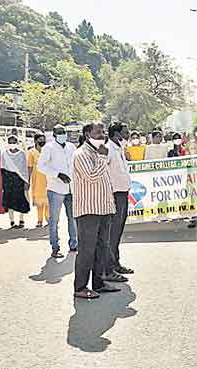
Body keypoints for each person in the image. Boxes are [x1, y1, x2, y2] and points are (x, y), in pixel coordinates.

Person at [71, 123, 120, 300]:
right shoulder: (81, 154)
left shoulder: (100, 152)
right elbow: (91, 176)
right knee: (87, 250)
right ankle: (80, 287)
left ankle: (98, 283)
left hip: (104, 209)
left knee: (102, 248)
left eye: (102, 132)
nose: (101, 135)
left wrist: (110, 206)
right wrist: (101, 157)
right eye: (97, 132)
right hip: (88, 211)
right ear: (86, 134)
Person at [38, 124, 77, 258]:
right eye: (59, 132)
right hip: (56, 189)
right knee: (54, 220)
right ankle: (55, 247)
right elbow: (40, 166)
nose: (62, 134)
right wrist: (57, 174)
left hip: (71, 188)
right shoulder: (48, 148)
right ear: (54, 135)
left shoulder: (71, 147)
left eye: (64, 132)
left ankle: (74, 244)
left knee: (73, 218)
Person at [106, 122, 134, 280]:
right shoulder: (109, 149)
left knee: (118, 232)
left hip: (123, 194)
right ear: (116, 134)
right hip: (114, 195)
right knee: (112, 232)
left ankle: (115, 263)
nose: (128, 135)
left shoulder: (119, 149)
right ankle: (109, 269)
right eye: (125, 132)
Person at [1, 135, 30, 229]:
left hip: (19, 179)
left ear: (17, 143)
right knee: (9, 201)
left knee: (21, 199)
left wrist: (26, 181)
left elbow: (24, 168)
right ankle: (12, 221)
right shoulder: (4, 154)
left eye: (14, 142)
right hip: (8, 179)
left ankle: (21, 220)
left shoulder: (22, 154)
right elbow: (2, 168)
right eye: (10, 142)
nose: (12, 144)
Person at [27, 134, 49, 227]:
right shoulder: (31, 152)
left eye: (43, 139)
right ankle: (39, 220)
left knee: (48, 200)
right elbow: (30, 167)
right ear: (35, 141)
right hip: (37, 178)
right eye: (40, 139)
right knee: (39, 200)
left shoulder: (48, 151)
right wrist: (27, 180)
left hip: (48, 178)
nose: (42, 141)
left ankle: (48, 218)